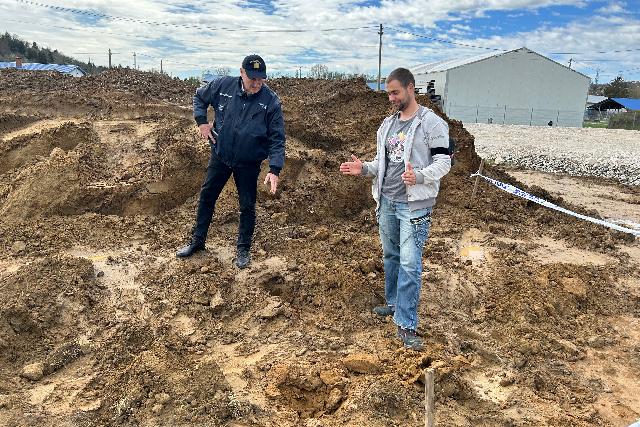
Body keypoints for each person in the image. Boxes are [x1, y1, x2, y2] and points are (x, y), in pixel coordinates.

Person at [339, 68, 451, 350]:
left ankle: (406, 323)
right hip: (387, 200)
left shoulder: (432, 124)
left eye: (395, 92)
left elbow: (444, 163)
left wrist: (420, 176)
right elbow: (382, 164)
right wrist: (363, 168)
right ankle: (393, 302)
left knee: (410, 264)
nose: (390, 98)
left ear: (411, 88)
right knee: (391, 255)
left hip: (413, 205)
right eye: (388, 93)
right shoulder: (387, 126)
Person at [176, 54, 285, 269]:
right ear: (241, 72)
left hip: (248, 162)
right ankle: (197, 241)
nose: (256, 84)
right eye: (252, 78)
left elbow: (277, 137)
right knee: (207, 196)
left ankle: (243, 249)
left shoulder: (270, 101)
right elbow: (199, 97)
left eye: (260, 79)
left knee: (247, 205)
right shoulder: (223, 86)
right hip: (221, 155)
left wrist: (274, 168)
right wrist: (202, 122)